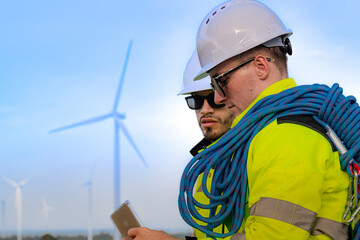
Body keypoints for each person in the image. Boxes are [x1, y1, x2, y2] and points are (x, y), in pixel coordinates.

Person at [178, 0, 353, 239]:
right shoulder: (265, 135)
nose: (218, 96)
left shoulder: (287, 137)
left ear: (261, 66)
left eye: (221, 81)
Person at [125, 51, 235, 240]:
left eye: (214, 98)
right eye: (196, 101)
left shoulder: (254, 155)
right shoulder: (207, 169)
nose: (205, 109)